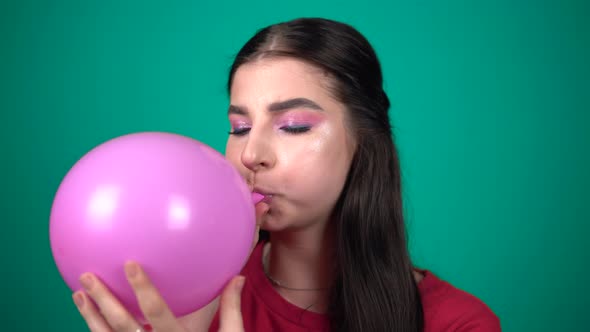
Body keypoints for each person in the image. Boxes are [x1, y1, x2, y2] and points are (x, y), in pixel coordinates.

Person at [71, 17, 501, 331]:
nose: (251, 154)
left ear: (364, 142)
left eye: (293, 126)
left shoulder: (457, 323)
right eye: (239, 128)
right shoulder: (177, 310)